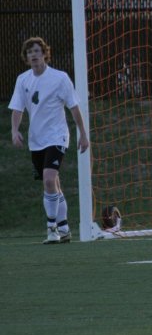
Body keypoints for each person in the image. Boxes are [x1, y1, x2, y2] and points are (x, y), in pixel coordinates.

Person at [9, 37, 89, 244]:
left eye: (37, 50)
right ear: (26, 58)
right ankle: (64, 229)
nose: (33, 55)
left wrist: (83, 134)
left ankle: (51, 228)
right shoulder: (23, 80)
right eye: (29, 52)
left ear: (45, 53)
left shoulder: (60, 78)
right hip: (36, 140)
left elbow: (74, 107)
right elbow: (17, 108)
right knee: (54, 185)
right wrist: (14, 130)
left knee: (48, 179)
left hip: (57, 136)